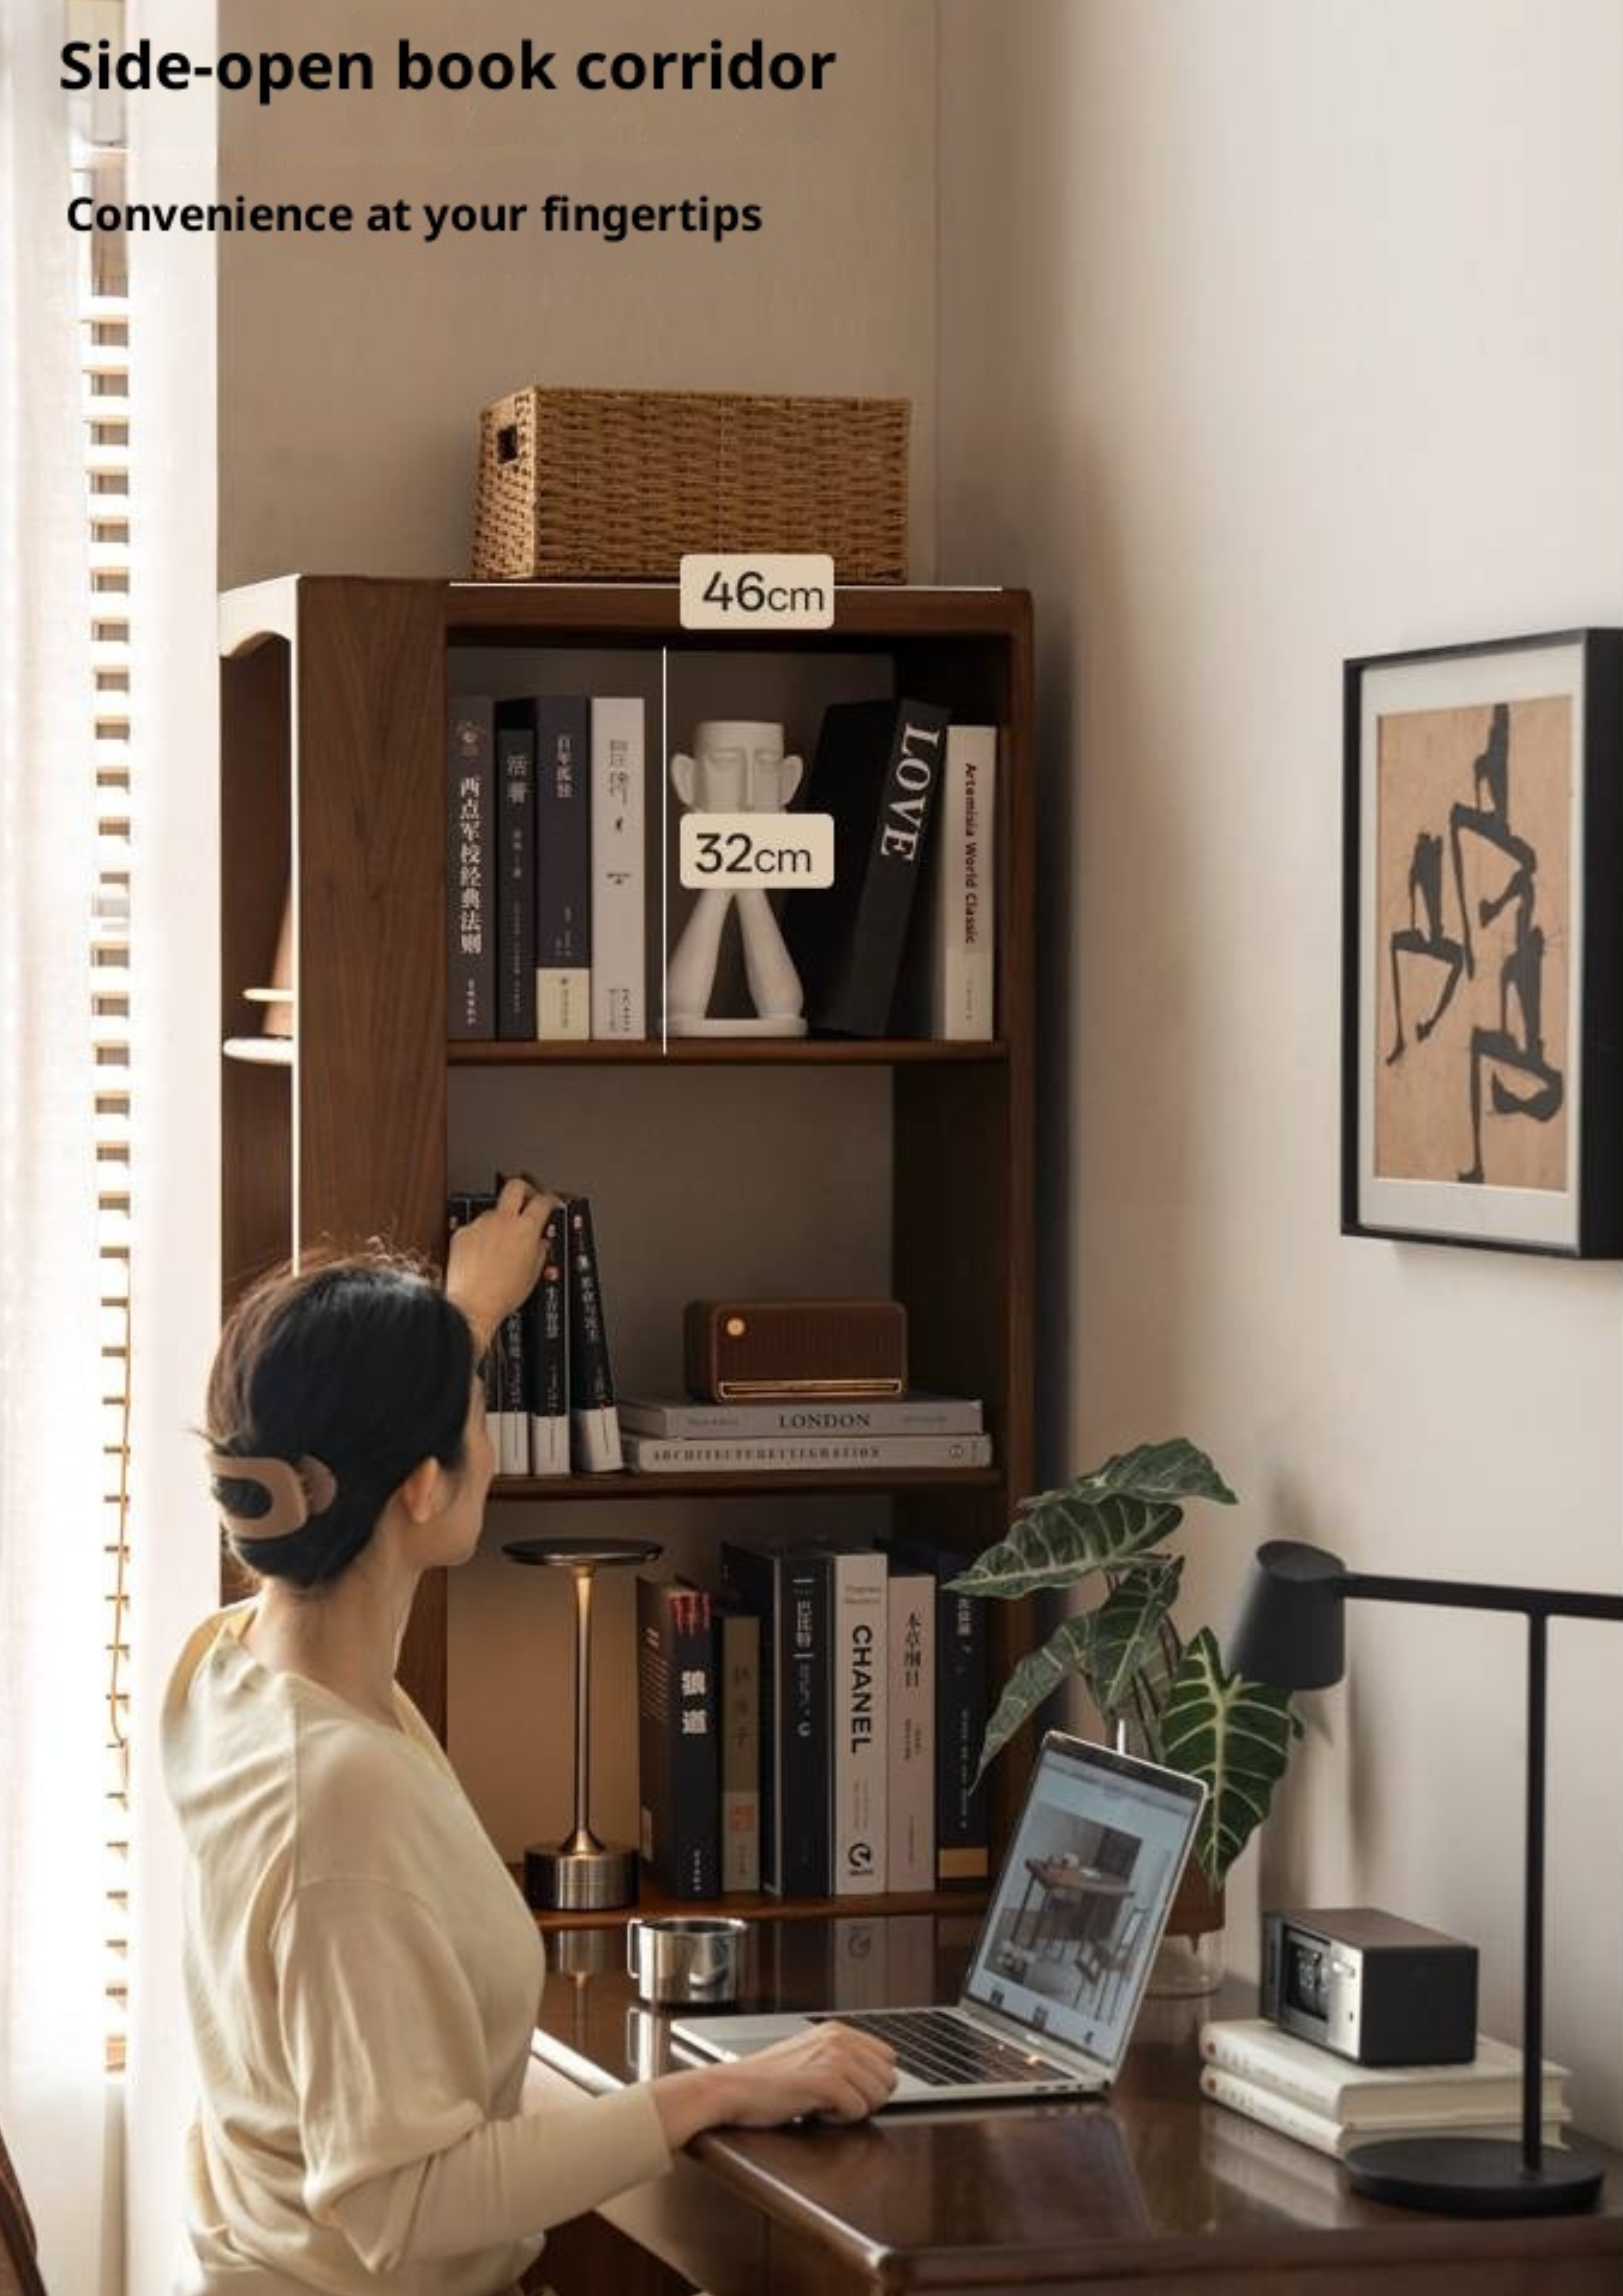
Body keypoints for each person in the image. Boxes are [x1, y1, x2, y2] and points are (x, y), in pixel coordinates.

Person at [163, 1177, 897, 2296]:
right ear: (419, 1490)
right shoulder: (340, 1790)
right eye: (476, 1419)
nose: (495, 1453)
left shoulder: (231, 1669)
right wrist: (711, 2092)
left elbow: (349, 1435)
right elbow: (399, 2204)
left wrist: (458, 1323)